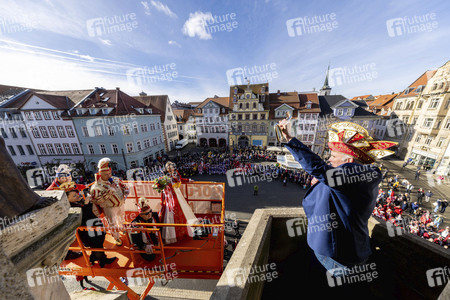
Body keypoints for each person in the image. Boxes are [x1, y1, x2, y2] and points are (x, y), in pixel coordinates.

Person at [279, 120, 397, 276]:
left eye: (333, 156)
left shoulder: (354, 176)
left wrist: (290, 139)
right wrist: (322, 183)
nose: (329, 160)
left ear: (348, 161)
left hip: (337, 259)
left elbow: (321, 170)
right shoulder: (360, 178)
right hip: (342, 254)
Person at [90, 158, 129, 246]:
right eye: (106, 174)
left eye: (110, 173)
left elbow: (123, 186)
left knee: (122, 218)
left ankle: (122, 228)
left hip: (121, 203)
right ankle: (116, 237)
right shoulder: (96, 187)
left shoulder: (115, 179)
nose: (109, 176)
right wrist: (110, 191)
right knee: (112, 223)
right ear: (100, 174)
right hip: (109, 207)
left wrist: (126, 190)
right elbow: (99, 201)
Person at [158, 161, 200, 244]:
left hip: (177, 194)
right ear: (166, 169)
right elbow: (162, 188)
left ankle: (184, 231)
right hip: (169, 197)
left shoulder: (176, 173)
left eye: (171, 167)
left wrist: (189, 180)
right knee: (170, 212)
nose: (170, 169)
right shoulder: (163, 177)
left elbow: (180, 180)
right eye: (168, 168)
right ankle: (171, 236)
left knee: (182, 209)